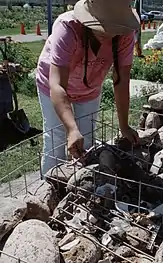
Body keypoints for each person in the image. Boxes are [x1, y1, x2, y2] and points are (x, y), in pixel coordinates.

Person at [36, 0, 140, 175]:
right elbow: (57, 85)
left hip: (90, 88)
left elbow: (121, 80)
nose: (107, 33)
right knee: (56, 140)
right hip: (53, 87)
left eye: (112, 28)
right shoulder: (67, 27)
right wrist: (71, 128)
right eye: (102, 26)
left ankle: (82, 187)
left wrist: (124, 126)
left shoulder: (125, 34)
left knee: (87, 141)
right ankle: (49, 193)